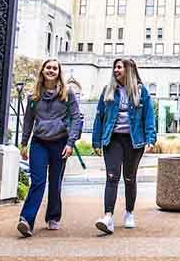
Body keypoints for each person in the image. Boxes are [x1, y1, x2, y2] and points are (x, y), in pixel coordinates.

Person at [91, 57, 157, 234]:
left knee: (129, 177)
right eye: (115, 67)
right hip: (112, 140)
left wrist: (151, 138)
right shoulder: (108, 91)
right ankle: (108, 217)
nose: (116, 70)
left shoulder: (141, 92)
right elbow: (99, 117)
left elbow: (149, 117)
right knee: (112, 177)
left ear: (129, 69)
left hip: (133, 141)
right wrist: (96, 141)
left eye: (119, 67)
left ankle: (129, 212)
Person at [17, 58, 82, 237]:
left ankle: (53, 216)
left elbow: (76, 118)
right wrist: (24, 144)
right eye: (48, 67)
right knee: (37, 181)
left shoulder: (67, 93)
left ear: (58, 72)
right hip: (39, 142)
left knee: (55, 182)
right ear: (43, 71)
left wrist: (70, 143)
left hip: (60, 143)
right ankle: (26, 220)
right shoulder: (33, 96)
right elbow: (28, 121)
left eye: (55, 68)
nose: (51, 70)